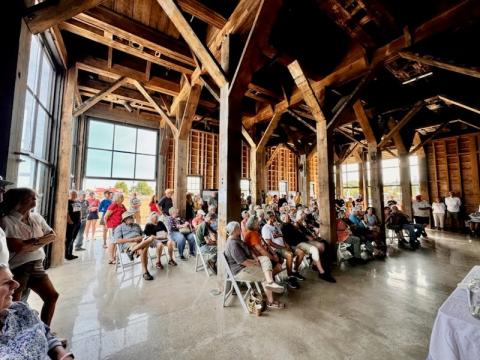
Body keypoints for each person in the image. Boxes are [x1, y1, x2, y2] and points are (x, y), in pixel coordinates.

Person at [0, 188, 58, 326]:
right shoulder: (6, 221)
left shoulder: (36, 217)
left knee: (52, 296)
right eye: (31, 197)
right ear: (20, 200)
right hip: (18, 268)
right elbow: (18, 247)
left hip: (37, 264)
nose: (35, 199)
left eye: (35, 197)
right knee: (14, 305)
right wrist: (40, 240)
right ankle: (13, 333)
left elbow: (53, 235)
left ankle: (45, 331)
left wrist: (31, 242)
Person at [0, 264, 74, 359]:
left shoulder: (19, 309)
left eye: (12, 279)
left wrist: (63, 355)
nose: (16, 285)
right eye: (6, 282)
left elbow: (45, 334)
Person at [224, 222, 285, 309]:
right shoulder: (233, 244)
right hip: (240, 270)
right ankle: (270, 302)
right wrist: (256, 264)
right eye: (238, 228)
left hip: (247, 263)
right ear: (234, 231)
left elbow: (247, 250)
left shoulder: (236, 238)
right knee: (264, 275)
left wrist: (255, 258)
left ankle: (270, 282)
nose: (240, 229)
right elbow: (243, 262)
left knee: (265, 258)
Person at [261, 211, 302, 288]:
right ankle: (289, 277)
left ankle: (294, 271)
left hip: (283, 247)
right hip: (276, 249)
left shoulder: (276, 226)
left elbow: (282, 237)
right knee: (290, 255)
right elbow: (269, 243)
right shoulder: (265, 228)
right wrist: (282, 247)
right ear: (268, 218)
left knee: (300, 252)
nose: (274, 217)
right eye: (272, 216)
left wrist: (286, 245)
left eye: (273, 216)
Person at [113, 211, 155, 280]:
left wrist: (141, 238)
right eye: (130, 217)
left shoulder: (136, 225)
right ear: (125, 219)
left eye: (132, 217)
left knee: (148, 239)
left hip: (140, 242)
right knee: (144, 249)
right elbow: (118, 240)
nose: (133, 218)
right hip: (129, 244)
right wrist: (133, 239)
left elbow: (142, 234)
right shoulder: (119, 227)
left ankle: (132, 251)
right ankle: (145, 272)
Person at [104, 193, 127, 264]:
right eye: (121, 197)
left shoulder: (122, 205)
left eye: (123, 197)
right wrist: (106, 226)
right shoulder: (113, 205)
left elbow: (126, 213)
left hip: (120, 226)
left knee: (117, 241)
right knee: (113, 241)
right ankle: (111, 258)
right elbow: (106, 216)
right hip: (113, 225)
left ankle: (114, 257)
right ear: (117, 198)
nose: (123, 199)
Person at [65, 190, 81, 260]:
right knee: (69, 239)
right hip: (71, 223)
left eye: (75, 194)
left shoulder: (77, 202)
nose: (74, 195)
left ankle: (70, 254)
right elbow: (66, 212)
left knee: (73, 239)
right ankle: (67, 255)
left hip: (77, 223)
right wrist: (69, 220)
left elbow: (79, 211)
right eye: (72, 194)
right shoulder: (67, 202)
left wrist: (80, 220)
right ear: (69, 195)